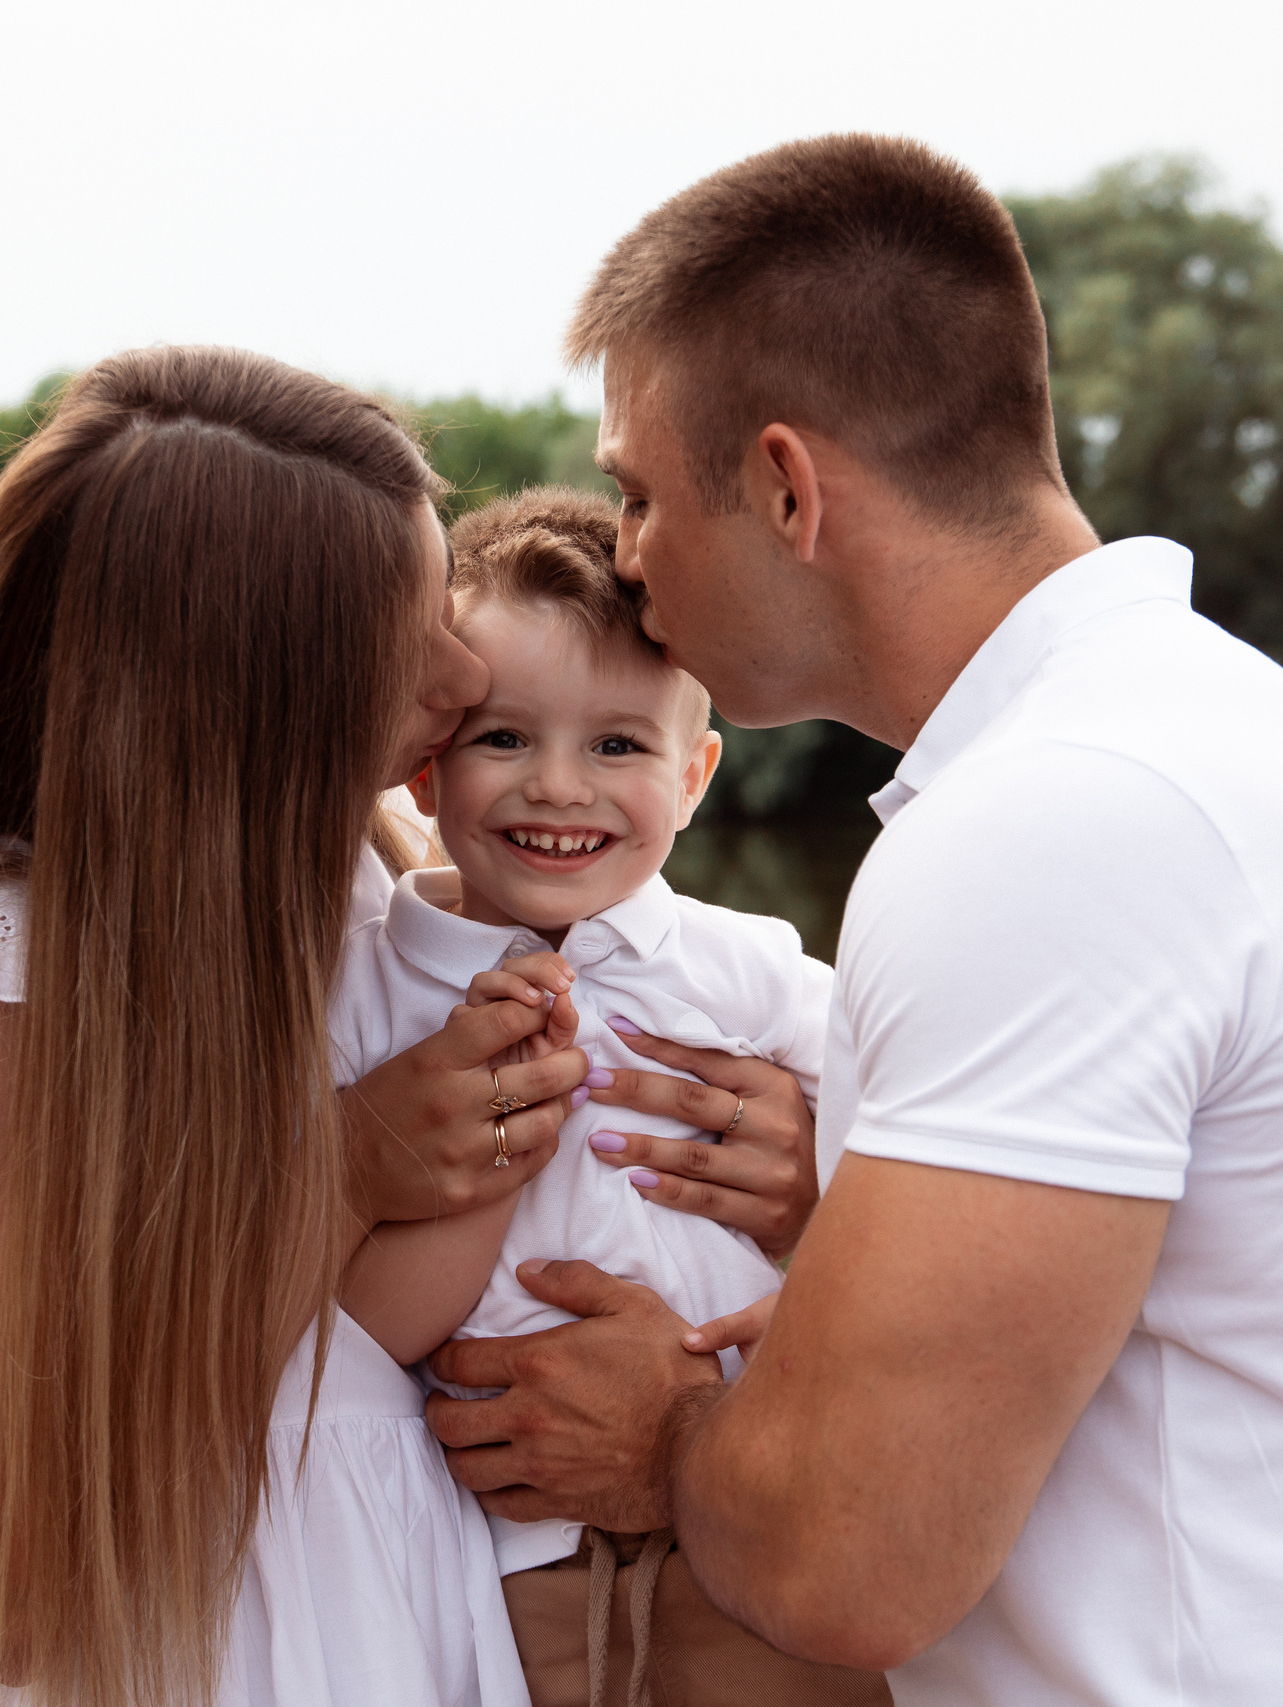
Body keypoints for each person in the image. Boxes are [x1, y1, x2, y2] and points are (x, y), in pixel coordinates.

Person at [424, 135, 1283, 1705]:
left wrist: (661, 1431)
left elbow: (847, 1557)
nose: (627, 558)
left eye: (635, 493)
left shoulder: (1056, 822)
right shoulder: (1195, 725)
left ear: (783, 486)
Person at [0, 346, 594, 1707]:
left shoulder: (386, 871)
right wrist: (343, 1170)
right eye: (408, 624)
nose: (464, 661)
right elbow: (8, 1587)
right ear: (248, 677)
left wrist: (789, 1133)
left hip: (397, 1625)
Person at [332, 487, 885, 1706]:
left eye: (618, 746)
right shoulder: (365, 990)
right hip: (499, 1558)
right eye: (504, 739)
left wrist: (810, 1238)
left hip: (744, 1520)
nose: (559, 788)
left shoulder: (747, 972)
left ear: (693, 776)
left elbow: (903, 1196)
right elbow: (357, 1325)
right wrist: (483, 1153)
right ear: (425, 773)